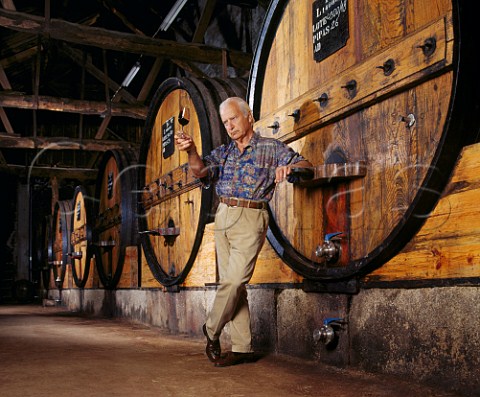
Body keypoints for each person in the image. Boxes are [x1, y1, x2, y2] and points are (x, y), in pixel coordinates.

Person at [175, 97, 312, 367]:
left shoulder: (271, 148)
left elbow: (306, 165)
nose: (229, 126)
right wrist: (191, 151)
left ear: (248, 117)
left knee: (236, 280)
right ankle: (241, 347)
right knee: (233, 285)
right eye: (225, 122)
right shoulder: (224, 152)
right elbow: (201, 171)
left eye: (233, 119)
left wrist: (290, 168)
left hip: (251, 216)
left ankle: (211, 329)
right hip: (223, 215)